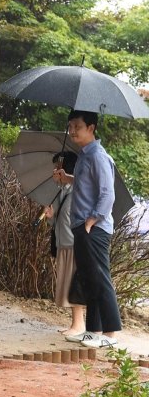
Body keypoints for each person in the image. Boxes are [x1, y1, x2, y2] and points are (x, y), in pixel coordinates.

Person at [55, 110, 121, 348]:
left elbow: (107, 194)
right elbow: (86, 184)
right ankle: (94, 331)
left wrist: (92, 221)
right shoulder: (84, 155)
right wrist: (68, 178)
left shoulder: (98, 156)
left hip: (94, 228)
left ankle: (111, 335)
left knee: (101, 278)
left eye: (77, 126)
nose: (72, 131)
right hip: (82, 227)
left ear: (91, 128)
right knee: (90, 279)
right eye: (70, 126)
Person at [43, 151, 85, 336]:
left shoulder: (78, 193)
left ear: (65, 170)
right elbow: (62, 221)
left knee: (74, 286)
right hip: (64, 245)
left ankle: (79, 326)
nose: (54, 171)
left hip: (74, 247)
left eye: (57, 167)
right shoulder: (63, 192)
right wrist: (51, 218)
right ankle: (76, 324)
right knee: (68, 285)